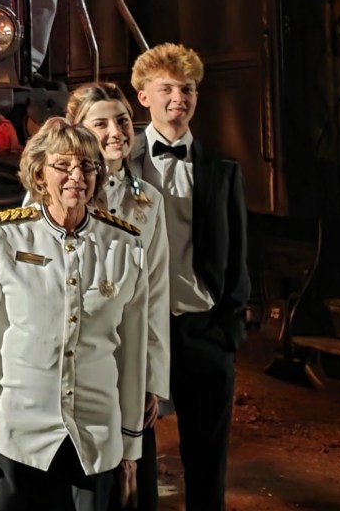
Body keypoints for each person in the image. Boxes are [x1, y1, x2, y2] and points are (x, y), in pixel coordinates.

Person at [0, 118, 148, 510]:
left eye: (88, 166)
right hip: (18, 435)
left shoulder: (126, 245)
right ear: (39, 172)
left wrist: (131, 447)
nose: (77, 176)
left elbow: (133, 352)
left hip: (97, 438)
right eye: (64, 165)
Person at [129, 43, 249, 511]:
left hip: (203, 330)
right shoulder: (120, 165)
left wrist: (228, 330)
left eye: (188, 89)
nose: (178, 98)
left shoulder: (222, 170)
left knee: (207, 461)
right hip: (140, 332)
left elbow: (237, 254)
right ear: (144, 97)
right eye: (166, 89)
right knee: (136, 459)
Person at [65, 82, 170, 511]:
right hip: (74, 367)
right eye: (101, 122)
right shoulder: (54, 193)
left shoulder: (149, 202)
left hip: (126, 365)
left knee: (129, 493)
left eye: (123, 121)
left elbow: (157, 294)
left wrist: (152, 380)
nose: (115, 131)